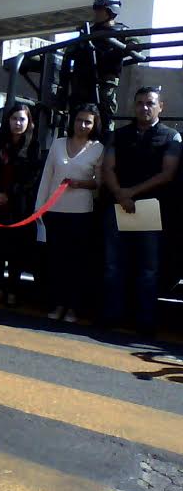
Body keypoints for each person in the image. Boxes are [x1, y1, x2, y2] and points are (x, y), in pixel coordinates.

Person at [101, 87, 181, 335]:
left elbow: (167, 173)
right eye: (140, 103)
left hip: (151, 209)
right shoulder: (118, 135)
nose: (144, 107)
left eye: (150, 103)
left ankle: (144, 321)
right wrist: (120, 194)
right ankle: (112, 316)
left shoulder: (171, 137)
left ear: (160, 107)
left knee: (148, 270)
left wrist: (130, 193)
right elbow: (107, 168)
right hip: (118, 206)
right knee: (114, 265)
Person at [36, 104, 105, 323]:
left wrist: (80, 183)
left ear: (94, 125)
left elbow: (99, 183)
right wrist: (39, 208)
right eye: (79, 120)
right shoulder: (58, 144)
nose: (82, 125)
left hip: (81, 213)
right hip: (54, 211)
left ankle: (73, 307)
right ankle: (57, 304)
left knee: (77, 263)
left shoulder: (98, 148)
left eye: (88, 122)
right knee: (56, 261)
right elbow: (47, 176)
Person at [0, 104, 41, 306]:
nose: (18, 123)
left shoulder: (33, 146)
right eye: (14, 119)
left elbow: (32, 177)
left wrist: (11, 194)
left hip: (19, 206)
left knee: (17, 251)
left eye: (22, 119)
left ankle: (13, 291)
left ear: (29, 122)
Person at [59, 0, 132, 137]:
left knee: (105, 113)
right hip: (82, 82)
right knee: (77, 112)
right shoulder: (88, 32)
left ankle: (105, 139)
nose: (96, 13)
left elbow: (135, 44)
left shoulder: (121, 31)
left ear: (111, 12)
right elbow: (69, 53)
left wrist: (124, 48)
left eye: (100, 10)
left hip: (105, 81)